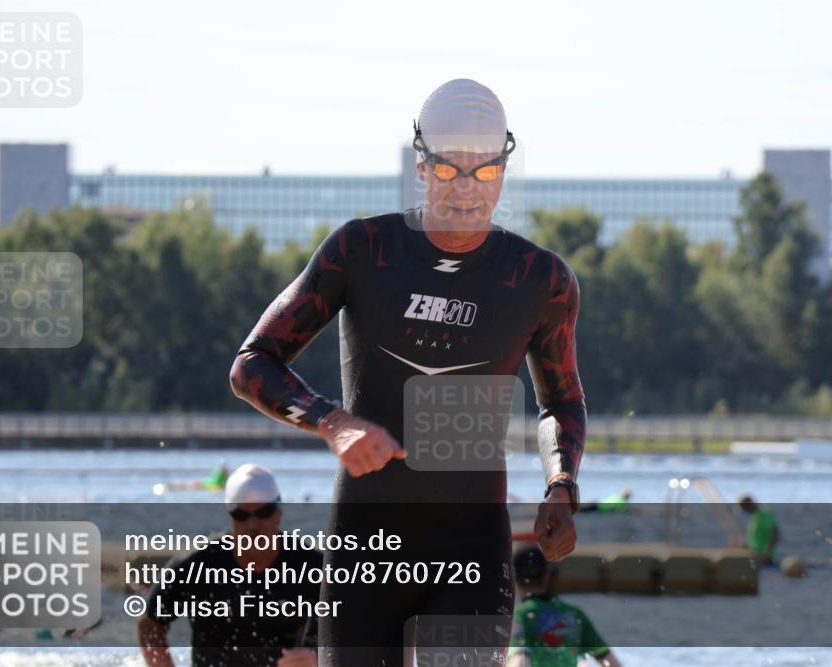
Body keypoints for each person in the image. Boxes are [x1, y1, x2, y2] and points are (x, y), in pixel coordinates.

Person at [230, 78, 587, 667]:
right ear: (421, 165)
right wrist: (333, 422)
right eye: (449, 172)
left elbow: (562, 402)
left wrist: (561, 486)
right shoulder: (364, 250)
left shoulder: (540, 280)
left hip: (472, 548)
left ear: (505, 167)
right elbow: (251, 365)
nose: (468, 191)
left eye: (486, 172)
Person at [138, 464, 323, 667]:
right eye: (241, 515)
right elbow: (150, 624)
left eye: (264, 512)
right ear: (230, 515)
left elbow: (352, 627)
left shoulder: (309, 565)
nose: (253, 524)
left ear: (278, 511)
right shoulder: (198, 564)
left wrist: (318, 658)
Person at [507, 546, 622, 667]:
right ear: (547, 576)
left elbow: (519, 660)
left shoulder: (518, 616)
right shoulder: (575, 614)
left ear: (514, 578)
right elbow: (610, 662)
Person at [737, 493, 780, 565]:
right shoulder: (755, 515)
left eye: (744, 509)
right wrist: (745, 544)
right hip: (754, 556)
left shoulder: (763, 513)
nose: (744, 512)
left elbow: (775, 533)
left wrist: (767, 553)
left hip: (763, 558)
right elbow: (757, 538)